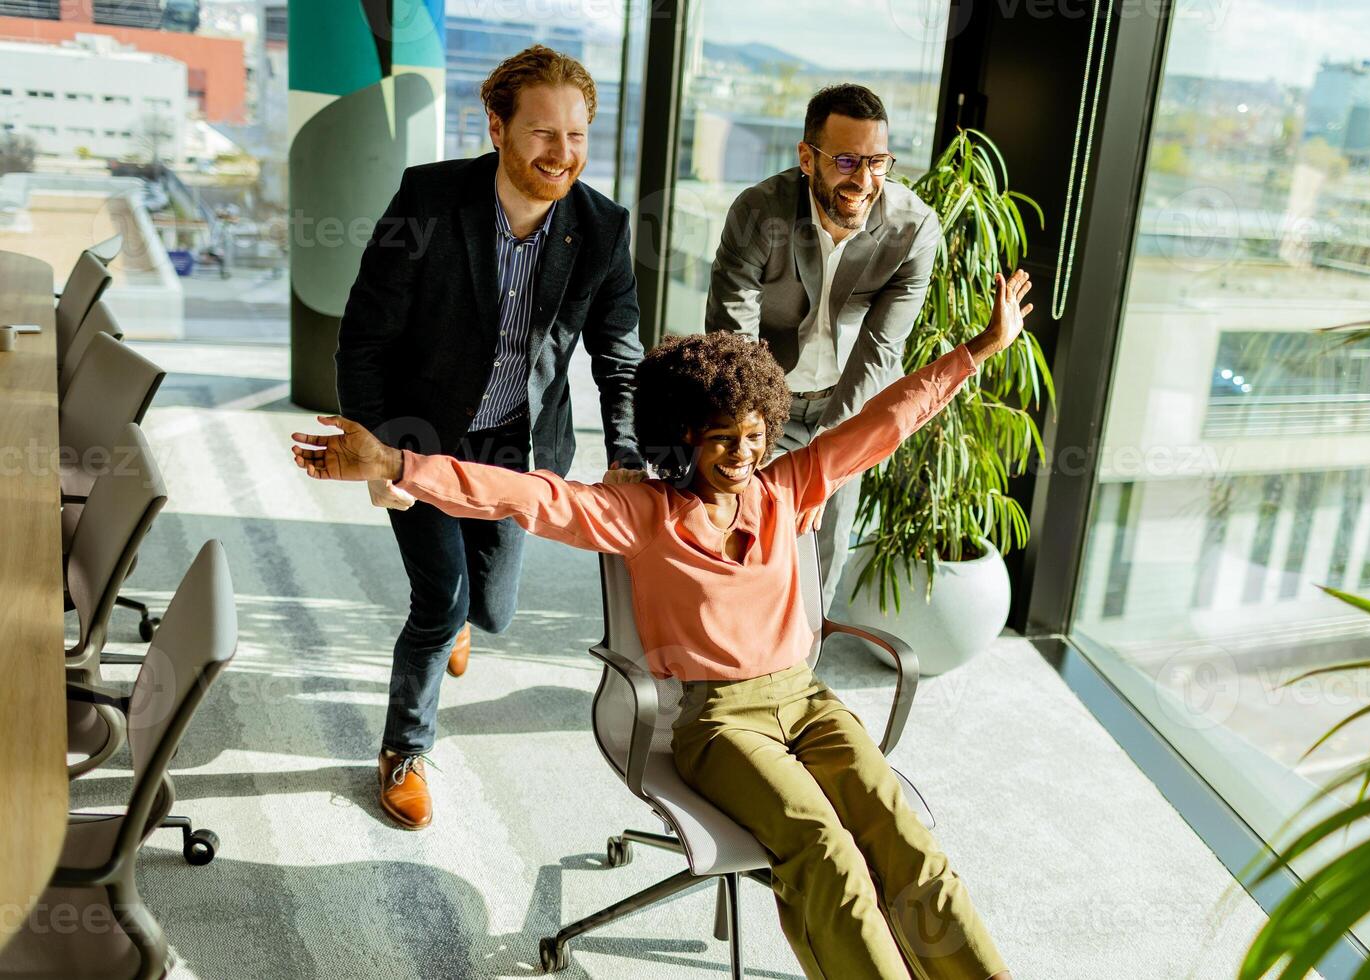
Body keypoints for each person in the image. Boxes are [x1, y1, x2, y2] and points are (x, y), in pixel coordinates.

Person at [293, 268, 1032, 979]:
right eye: (720, 440)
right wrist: (395, 462)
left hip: (808, 702)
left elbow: (885, 421)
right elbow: (522, 496)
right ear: (680, 437)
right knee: (822, 846)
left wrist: (979, 350)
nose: (742, 455)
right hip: (718, 725)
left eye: (751, 435)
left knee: (899, 827)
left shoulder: (787, 489)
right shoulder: (641, 515)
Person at [333, 45, 646, 831]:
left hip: (516, 445)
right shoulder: (428, 200)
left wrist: (631, 454)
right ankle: (404, 750)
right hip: (421, 436)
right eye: (543, 133)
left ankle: (467, 619)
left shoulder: (602, 229)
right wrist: (377, 449)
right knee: (439, 602)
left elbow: (619, 353)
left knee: (493, 611)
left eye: (576, 137)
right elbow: (364, 336)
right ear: (498, 127)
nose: (561, 154)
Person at [706, 82, 941, 613]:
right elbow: (733, 337)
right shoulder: (758, 212)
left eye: (878, 161)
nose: (863, 180)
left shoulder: (914, 228)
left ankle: (802, 661)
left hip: (848, 402)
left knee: (824, 552)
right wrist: (753, 432)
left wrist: (828, 456)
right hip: (765, 402)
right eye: (846, 160)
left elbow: (880, 350)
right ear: (807, 158)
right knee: (744, 533)